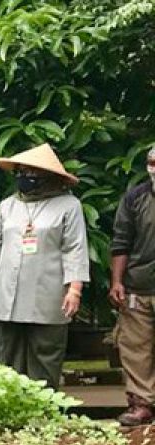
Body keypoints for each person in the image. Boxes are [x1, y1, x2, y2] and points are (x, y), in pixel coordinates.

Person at [0, 143, 90, 390]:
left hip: (47, 293)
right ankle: (13, 408)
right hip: (8, 294)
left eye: (33, 173)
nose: (26, 178)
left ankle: (44, 409)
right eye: (22, 172)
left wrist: (74, 289)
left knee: (45, 353)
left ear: (49, 177)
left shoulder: (69, 206)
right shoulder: (8, 205)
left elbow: (74, 248)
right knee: (9, 355)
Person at [109, 144, 155, 427]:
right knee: (136, 347)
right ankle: (142, 404)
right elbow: (121, 242)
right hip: (139, 284)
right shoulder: (135, 197)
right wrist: (117, 281)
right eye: (152, 163)